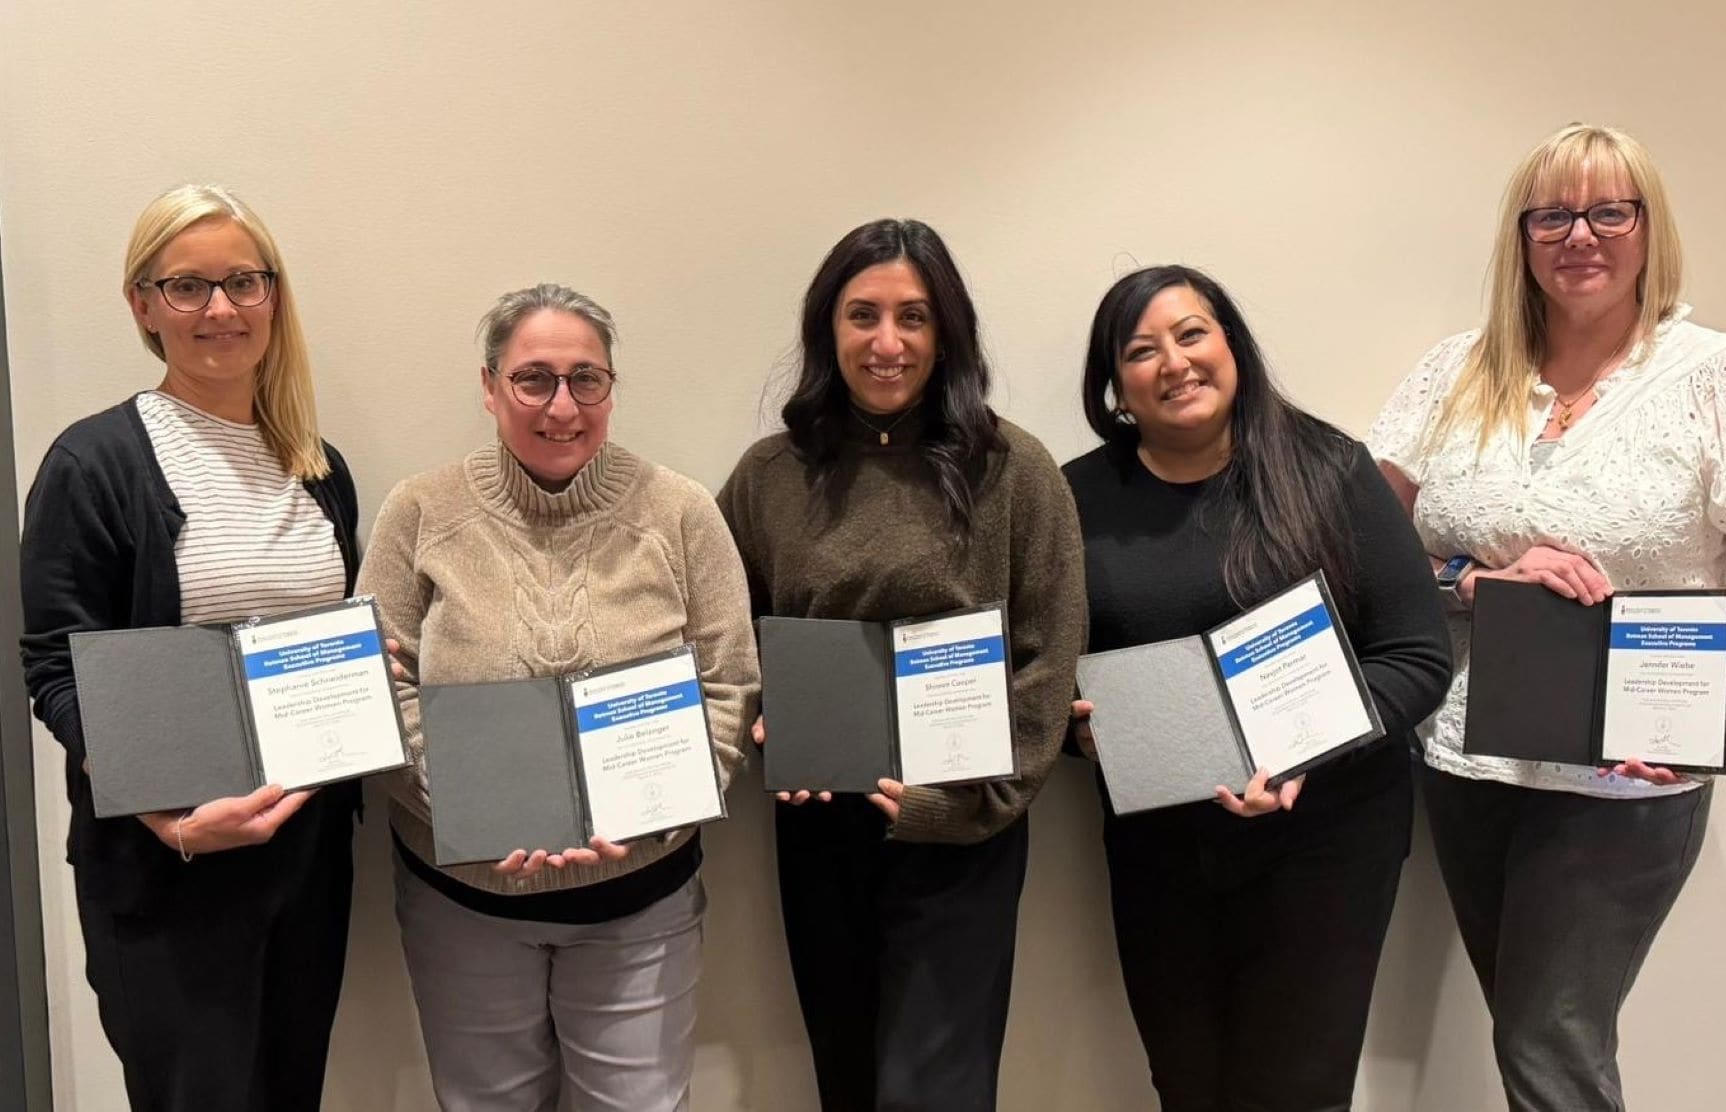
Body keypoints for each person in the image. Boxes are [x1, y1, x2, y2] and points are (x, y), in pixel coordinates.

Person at [1368, 123, 1726, 1111]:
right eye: (1550, 213)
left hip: (1622, 774)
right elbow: (1368, 553)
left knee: (1548, 1041)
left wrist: (1691, 699)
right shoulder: (1455, 373)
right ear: (1520, 234)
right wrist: (1467, 577)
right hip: (1462, 758)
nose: (1577, 234)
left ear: (1646, 227)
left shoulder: (1722, 378)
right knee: (1532, 1035)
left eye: (1605, 209)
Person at [358, 283, 759, 1112]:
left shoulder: (681, 513)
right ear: (489, 386)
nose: (562, 406)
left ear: (613, 387)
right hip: (462, 897)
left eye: (588, 379)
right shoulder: (420, 512)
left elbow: (728, 685)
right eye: (533, 379)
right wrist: (471, 804)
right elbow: (377, 685)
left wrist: (660, 810)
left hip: (639, 900)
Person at [716, 218, 1087, 1111]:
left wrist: (968, 805)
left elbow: (1048, 655)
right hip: (820, 825)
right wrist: (767, 723)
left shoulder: (1014, 470)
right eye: (863, 315)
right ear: (827, 330)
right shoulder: (771, 475)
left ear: (946, 332)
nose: (888, 343)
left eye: (914, 318)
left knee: (936, 1093)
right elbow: (728, 632)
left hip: (963, 831)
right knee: (845, 1078)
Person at [1063, 265, 1453, 1111]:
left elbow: (1417, 656)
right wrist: (1074, 731)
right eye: (1141, 350)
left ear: (1232, 344)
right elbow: (1049, 672)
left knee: (1298, 1091)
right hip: (1161, 852)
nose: (1175, 362)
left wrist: (1305, 750)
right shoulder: (1075, 499)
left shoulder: (1328, 469)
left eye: (1193, 334)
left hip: (1327, 839)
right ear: (1116, 387)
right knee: (1188, 1086)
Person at [18, 184, 360, 1111]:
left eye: (244, 281)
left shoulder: (317, 468)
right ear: (143, 306)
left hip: (305, 857)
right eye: (188, 287)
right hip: (169, 865)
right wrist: (168, 820)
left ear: (274, 296)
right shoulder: (94, 465)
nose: (221, 309)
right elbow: (55, 667)